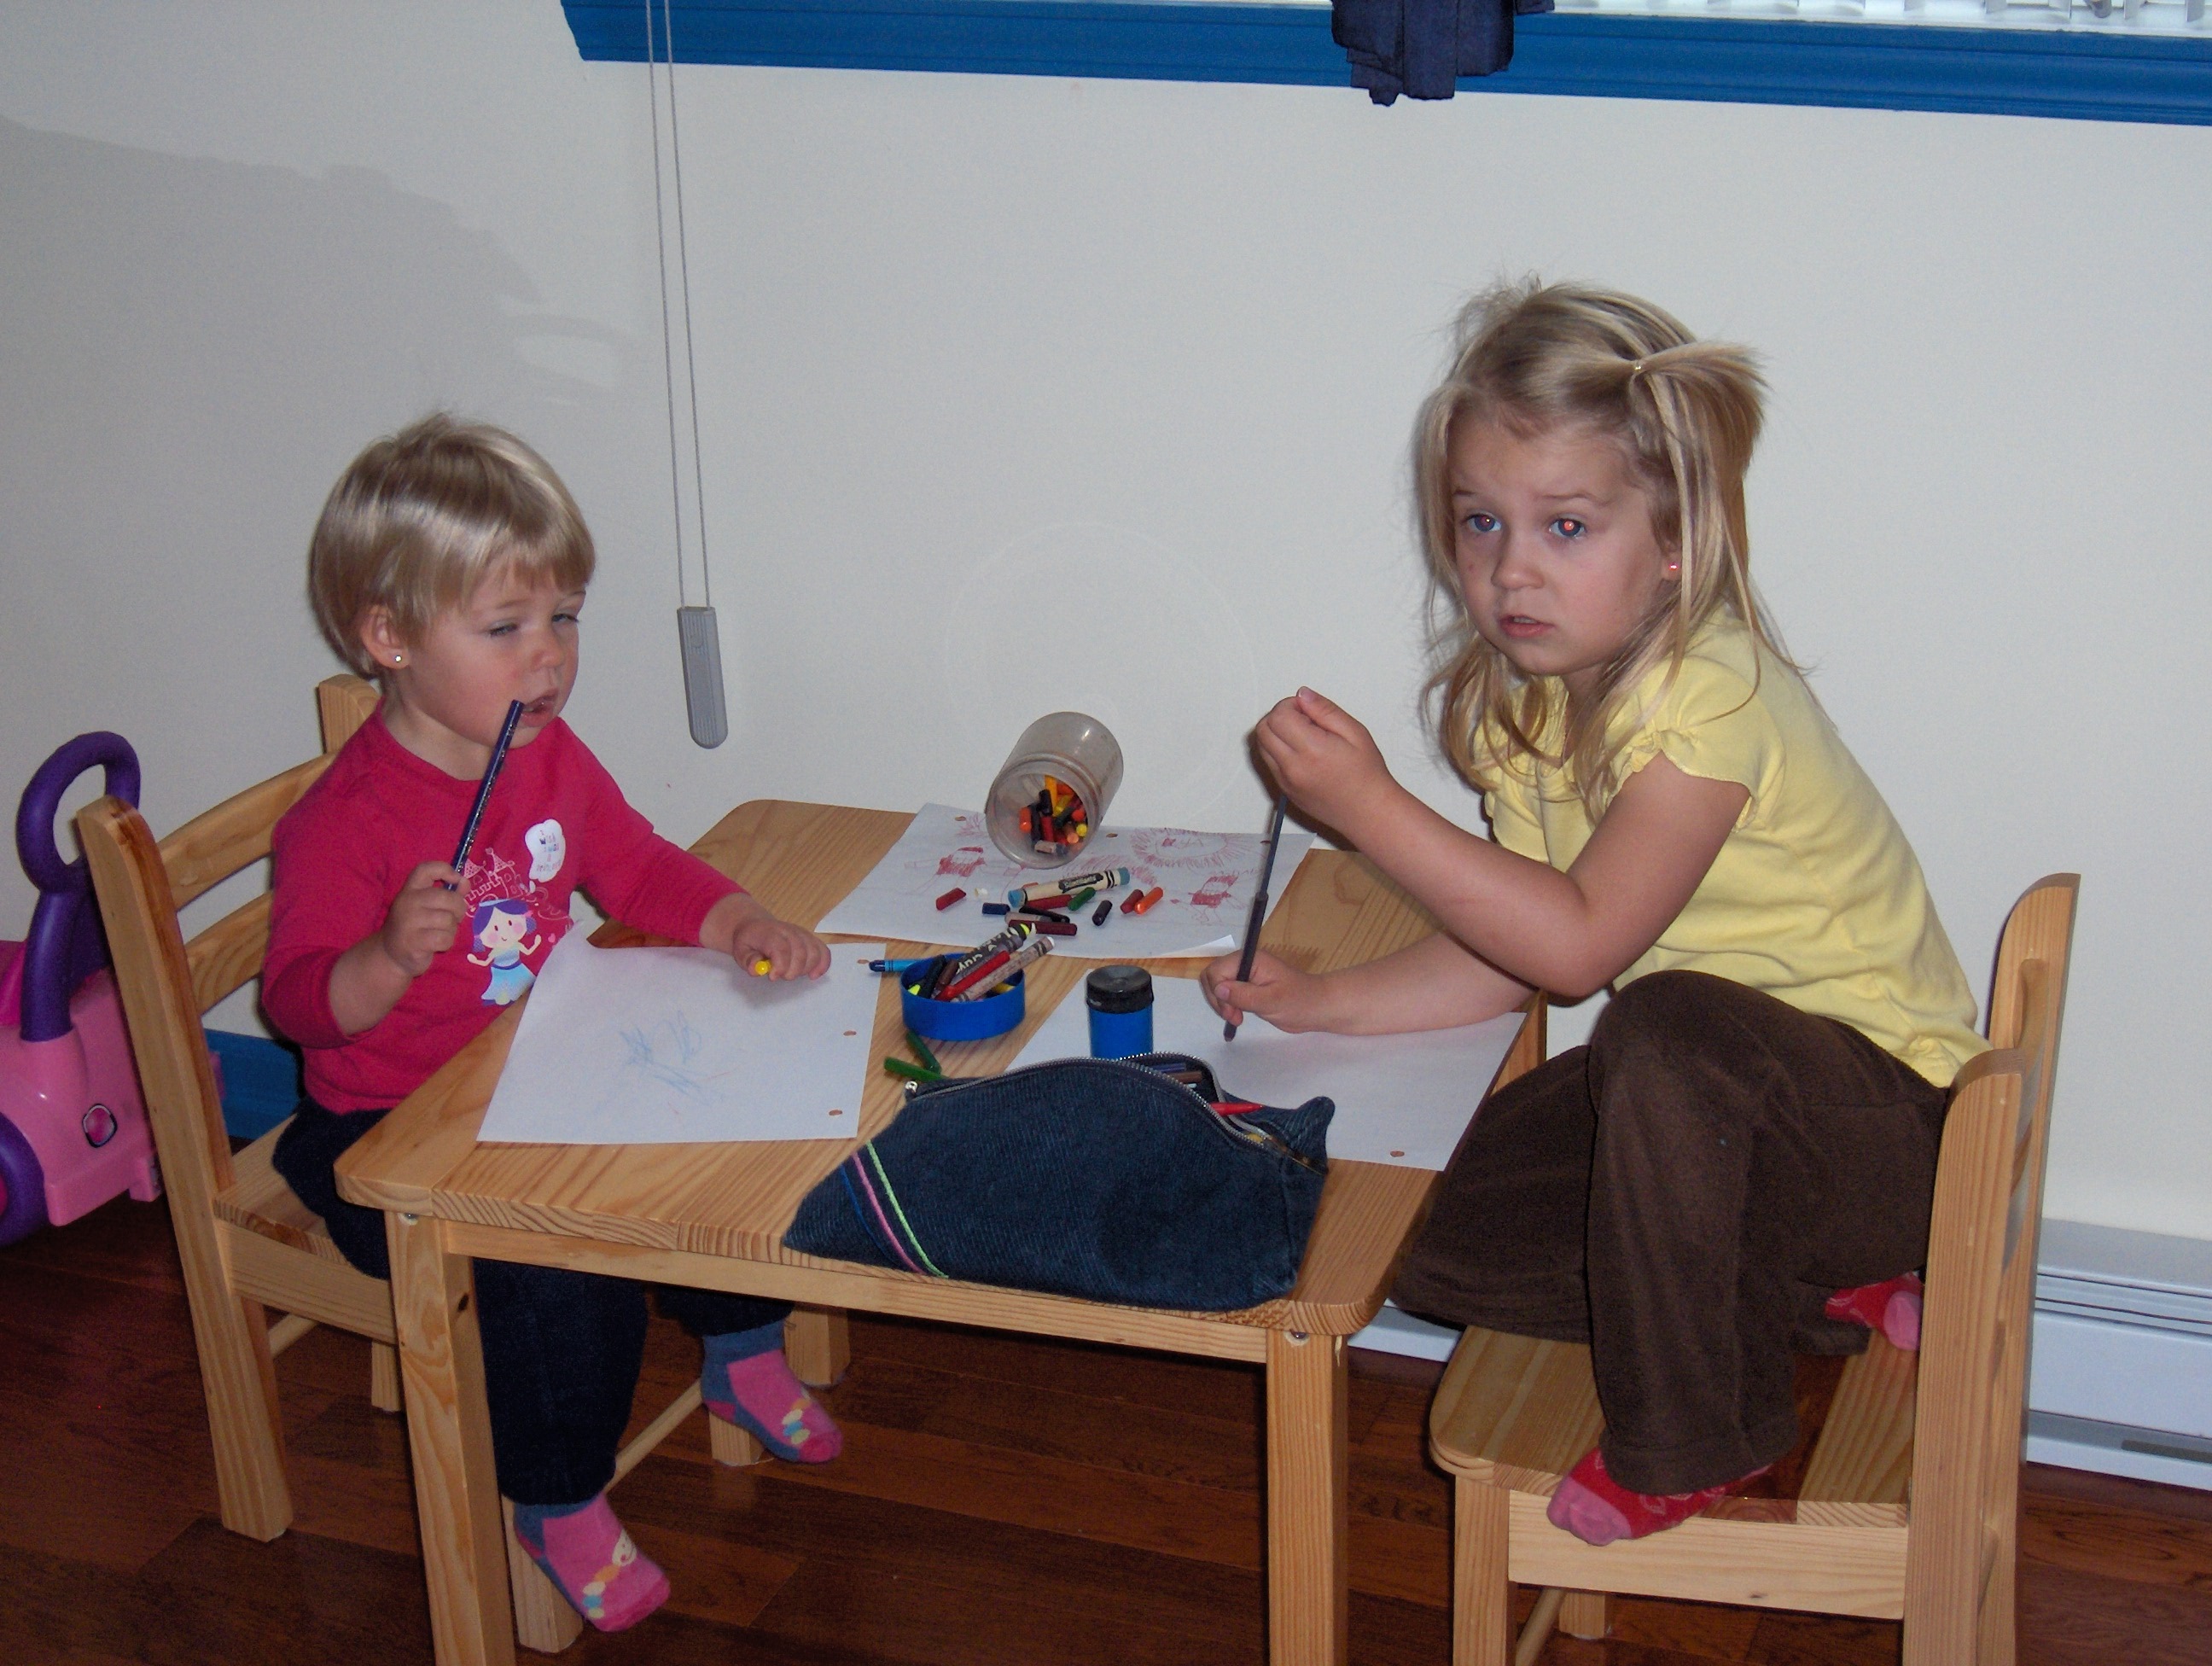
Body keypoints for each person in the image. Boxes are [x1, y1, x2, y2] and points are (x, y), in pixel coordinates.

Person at [1202, 281, 1984, 1547]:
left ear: (1675, 539)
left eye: (1565, 525)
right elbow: (1507, 955)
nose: (1511, 569)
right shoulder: (1528, 704)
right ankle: (1811, 1292)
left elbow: (1579, 948)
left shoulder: (1708, 699)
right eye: (1481, 522)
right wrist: (1324, 1001)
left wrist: (1370, 807)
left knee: (1661, 1028)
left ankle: (1701, 1435)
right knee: (1430, 1239)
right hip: (1724, 1128)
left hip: (1893, 1127)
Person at [265, 414, 841, 1630]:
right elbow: (297, 1006)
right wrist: (382, 958)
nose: (550, 658)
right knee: (555, 1262)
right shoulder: (343, 823)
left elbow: (632, 864)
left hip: (524, 1072)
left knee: (708, 1131)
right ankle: (558, 1495)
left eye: (564, 618)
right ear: (389, 638)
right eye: (505, 628)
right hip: (382, 1133)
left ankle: (741, 1348)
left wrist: (735, 918)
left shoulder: (545, 752)